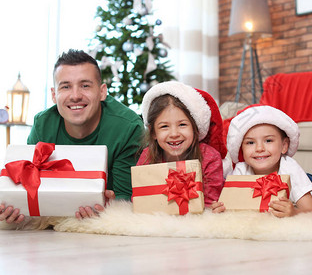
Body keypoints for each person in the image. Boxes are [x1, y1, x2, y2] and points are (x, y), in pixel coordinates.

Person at [0, 49, 144, 224]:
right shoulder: (43, 125)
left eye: (85, 85)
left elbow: (127, 201)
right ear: (54, 95)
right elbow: (30, 184)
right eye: (66, 86)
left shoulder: (127, 127)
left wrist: (111, 204)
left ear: (102, 92)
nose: (75, 96)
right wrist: (14, 207)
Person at [212, 105, 312, 217]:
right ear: (241, 148)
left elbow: (311, 211)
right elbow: (230, 204)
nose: (259, 148)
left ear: (284, 146)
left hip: (310, 181)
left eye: (268, 140)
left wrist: (294, 213)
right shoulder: (241, 169)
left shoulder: (290, 167)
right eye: (250, 143)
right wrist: (221, 208)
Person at [137, 81, 226, 206]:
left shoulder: (209, 157)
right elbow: (142, 199)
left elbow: (210, 202)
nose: (174, 134)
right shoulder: (147, 157)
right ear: (153, 133)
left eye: (182, 124)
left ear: (195, 128)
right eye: (164, 126)